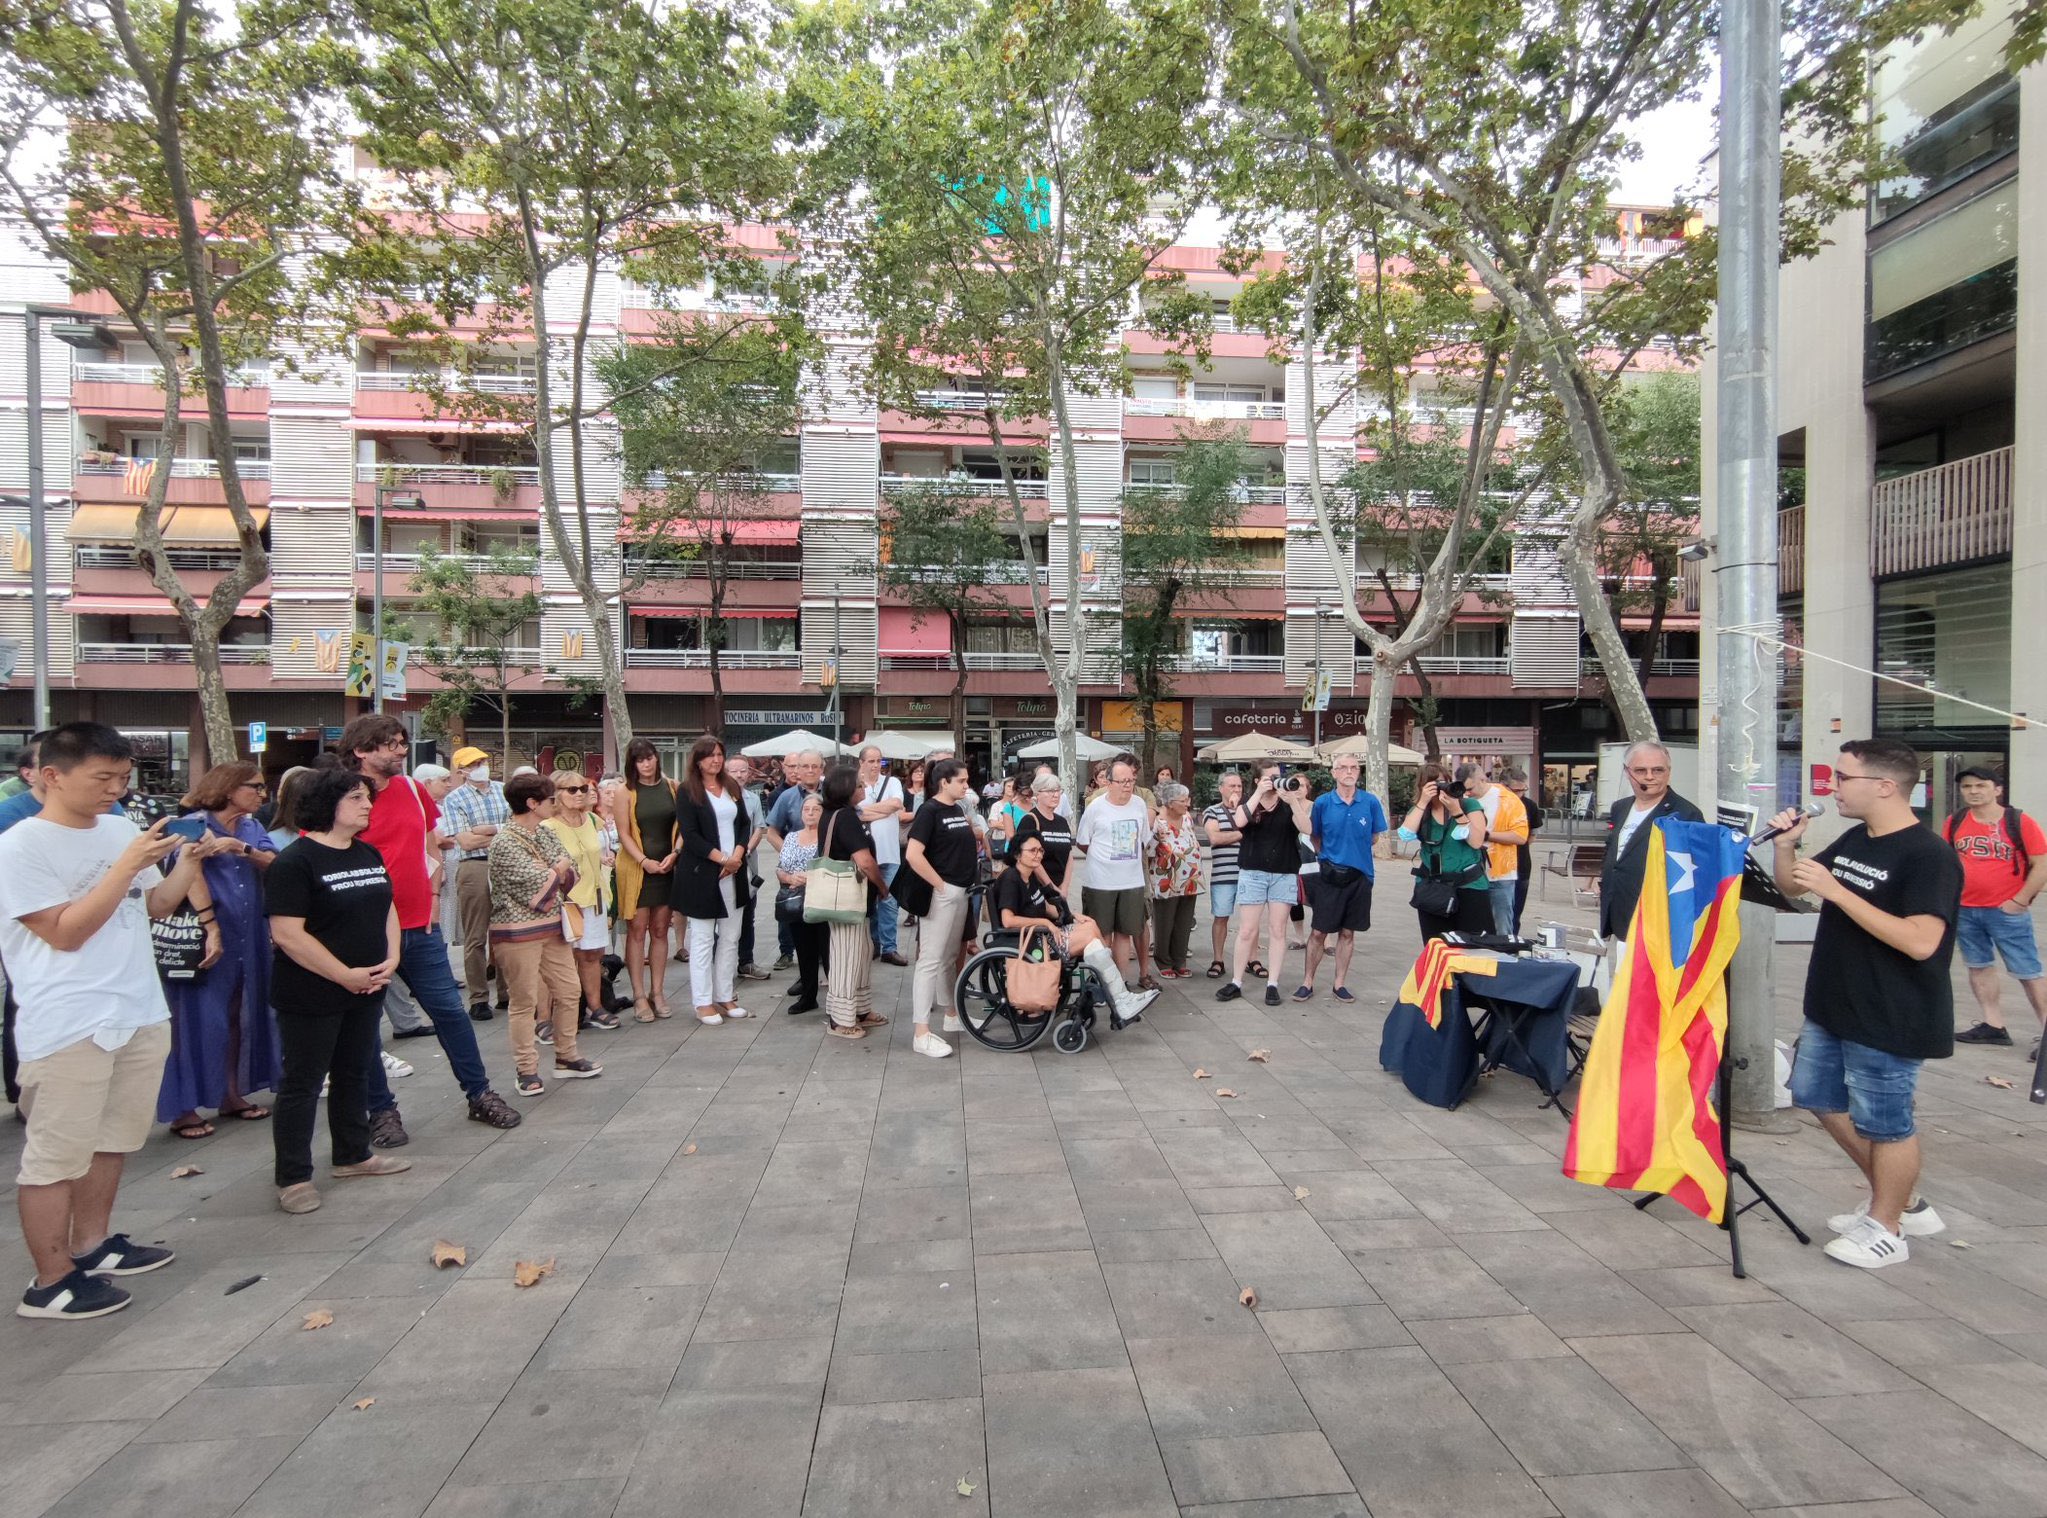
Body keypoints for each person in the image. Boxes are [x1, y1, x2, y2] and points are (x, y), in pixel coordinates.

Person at [0, 723, 217, 1319]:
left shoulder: (121, 829)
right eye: (102, 779)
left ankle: (93, 1245)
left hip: (138, 1009)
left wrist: (185, 861)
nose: (116, 792)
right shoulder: (22, 846)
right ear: (52, 776)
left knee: (114, 1139)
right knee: (55, 1154)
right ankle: (50, 1280)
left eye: (123, 779)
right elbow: (64, 933)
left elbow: (155, 906)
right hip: (70, 1020)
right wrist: (124, 865)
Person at [1769, 739, 1963, 1270]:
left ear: (1884, 786)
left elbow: (1922, 941)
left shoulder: (1928, 856)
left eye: (1843, 778)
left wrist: (1838, 891)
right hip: (1835, 1001)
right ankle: (1901, 1200)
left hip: (1891, 1010)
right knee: (1815, 1095)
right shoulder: (1859, 837)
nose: (1832, 788)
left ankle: (1887, 1226)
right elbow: (1795, 891)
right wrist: (1786, 849)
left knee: (1886, 1122)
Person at [339, 714, 521, 1144]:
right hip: (362, 930)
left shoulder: (410, 789)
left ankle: (479, 1094)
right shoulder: (340, 795)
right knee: (364, 1027)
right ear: (362, 751)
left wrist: (434, 898)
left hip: (419, 923)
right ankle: (381, 1111)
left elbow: (429, 840)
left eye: (402, 742)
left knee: (449, 1013)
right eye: (391, 744)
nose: (401, 750)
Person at [266, 767, 412, 1215]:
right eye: (356, 797)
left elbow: (386, 906)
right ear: (327, 804)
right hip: (312, 990)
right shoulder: (295, 862)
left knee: (354, 1072)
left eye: (367, 797)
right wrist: (342, 973)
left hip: (366, 985)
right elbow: (288, 934)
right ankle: (293, 1176)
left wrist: (392, 956)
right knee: (303, 1082)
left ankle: (353, 1154)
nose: (368, 805)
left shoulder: (366, 853)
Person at [157, 762, 283, 1139]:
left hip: (249, 934)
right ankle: (184, 1106)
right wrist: (210, 924)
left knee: (239, 1015)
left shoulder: (251, 827)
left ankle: (232, 1092)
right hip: (201, 936)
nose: (262, 795)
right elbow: (184, 873)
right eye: (255, 787)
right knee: (194, 1019)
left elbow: (277, 864)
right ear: (229, 788)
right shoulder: (191, 824)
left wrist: (239, 848)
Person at [488, 772, 602, 1096]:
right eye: (551, 798)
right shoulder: (505, 841)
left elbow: (569, 872)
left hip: (553, 927)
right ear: (532, 803)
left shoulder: (543, 832)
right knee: (524, 1001)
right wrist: (557, 869)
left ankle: (566, 1056)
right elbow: (538, 882)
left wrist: (557, 869)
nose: (555, 802)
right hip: (516, 932)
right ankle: (526, 1068)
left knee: (569, 991)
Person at [993, 834, 1161, 1028]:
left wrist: (1074, 916)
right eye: (1032, 850)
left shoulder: (1029, 877)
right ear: (1017, 854)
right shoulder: (1011, 879)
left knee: (1089, 925)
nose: (1038, 855)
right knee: (1091, 937)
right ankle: (1118, 996)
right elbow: (1008, 920)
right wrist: (1046, 923)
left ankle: (1114, 993)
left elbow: (1047, 908)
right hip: (1030, 942)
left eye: (1040, 850)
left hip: (1041, 935)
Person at [1944, 766, 2047, 1056]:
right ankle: (1993, 1025)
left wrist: (2020, 900)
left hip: (2006, 910)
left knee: (2028, 970)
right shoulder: (1956, 822)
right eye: (1967, 787)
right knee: (1978, 966)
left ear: (1997, 789)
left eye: (1981, 785)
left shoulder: (2018, 821)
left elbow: (2042, 864)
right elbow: (1948, 860)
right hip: (1965, 908)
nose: (1974, 791)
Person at [1217, 763, 1312, 1005]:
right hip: (1253, 871)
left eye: (1278, 777)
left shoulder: (1289, 802)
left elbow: (1307, 828)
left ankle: (1273, 983)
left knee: (1278, 930)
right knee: (1247, 930)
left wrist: (1292, 802)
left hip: (1284, 872)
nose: (1276, 781)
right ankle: (1236, 981)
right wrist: (1259, 793)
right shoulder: (1250, 801)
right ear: (1258, 780)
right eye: (1270, 778)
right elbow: (1239, 821)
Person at [675, 735, 753, 1027]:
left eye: (719, 754)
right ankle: (703, 1001)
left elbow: (744, 823)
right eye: (709, 755)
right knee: (703, 939)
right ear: (697, 760)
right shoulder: (687, 791)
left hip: (734, 871)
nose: (716, 760)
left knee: (731, 937)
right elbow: (690, 835)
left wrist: (738, 855)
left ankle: (725, 994)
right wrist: (722, 859)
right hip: (703, 874)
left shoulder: (730, 786)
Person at [904, 757, 979, 1058]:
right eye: (960, 780)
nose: (966, 785)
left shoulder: (957, 809)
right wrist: (941, 886)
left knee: (949, 958)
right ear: (943, 782)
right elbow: (913, 854)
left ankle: (952, 1015)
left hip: (960, 892)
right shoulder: (929, 810)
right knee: (930, 960)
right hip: (943, 894)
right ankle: (921, 1032)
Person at [1299, 754, 1389, 1002]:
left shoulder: (1370, 802)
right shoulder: (1323, 803)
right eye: (1343, 768)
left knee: (1348, 932)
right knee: (1318, 931)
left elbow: (1374, 836)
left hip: (1361, 876)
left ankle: (1339, 983)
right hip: (1330, 875)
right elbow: (1314, 836)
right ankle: (1307, 981)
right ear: (1334, 773)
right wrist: (1328, 857)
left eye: (1354, 767)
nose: (1349, 771)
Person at [1598, 740, 1704, 943]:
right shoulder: (1620, 807)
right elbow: (1613, 847)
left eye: (1657, 770)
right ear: (1627, 772)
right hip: (1621, 914)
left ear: (1668, 772)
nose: (1649, 777)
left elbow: (1696, 872)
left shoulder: (1685, 813)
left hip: (1658, 923)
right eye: (1640, 770)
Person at [817, 762, 891, 1041]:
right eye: (859, 784)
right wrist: (882, 887)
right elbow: (865, 861)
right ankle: (840, 1019)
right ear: (846, 789)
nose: (864, 787)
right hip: (847, 900)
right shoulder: (844, 816)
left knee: (861, 952)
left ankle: (860, 1009)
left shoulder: (841, 814)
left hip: (855, 901)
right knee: (847, 956)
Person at [545, 769, 622, 1034]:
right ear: (556, 794)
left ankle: (595, 1006)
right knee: (564, 958)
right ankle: (559, 1014)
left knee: (592, 954)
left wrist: (604, 859)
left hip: (596, 894)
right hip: (567, 901)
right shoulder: (548, 826)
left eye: (583, 788)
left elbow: (601, 850)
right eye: (572, 789)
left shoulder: (592, 819)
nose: (580, 793)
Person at [440, 746, 510, 1022]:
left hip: (504, 862)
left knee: (506, 932)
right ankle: (479, 997)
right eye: (473, 763)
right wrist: (500, 832)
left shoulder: (503, 790)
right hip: (474, 865)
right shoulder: (455, 798)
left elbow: (516, 828)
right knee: (476, 936)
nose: (480, 766)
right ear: (462, 771)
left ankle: (506, 993)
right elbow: (465, 841)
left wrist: (489, 830)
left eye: (482, 761)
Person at [1074, 757, 1153, 993]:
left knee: (1124, 933)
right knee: (1102, 934)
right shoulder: (1096, 807)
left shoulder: (1139, 804)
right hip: (1100, 881)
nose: (1127, 786)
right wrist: (1103, 858)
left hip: (1131, 881)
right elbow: (1082, 842)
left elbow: (1144, 840)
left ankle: (1120, 982)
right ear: (1108, 783)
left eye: (1131, 781)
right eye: (1122, 781)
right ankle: (1102, 981)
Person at [615, 738, 679, 1021]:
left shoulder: (673, 787)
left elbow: (683, 826)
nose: (646, 763)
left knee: (661, 929)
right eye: (640, 759)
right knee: (637, 930)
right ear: (633, 763)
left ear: (656, 758)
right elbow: (623, 833)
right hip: (637, 868)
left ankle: (658, 991)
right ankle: (639, 995)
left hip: (667, 867)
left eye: (650, 757)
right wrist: (643, 861)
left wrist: (675, 854)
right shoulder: (624, 791)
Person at [1399, 763, 1491, 941]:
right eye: (1435, 784)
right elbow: (1405, 834)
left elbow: (1476, 842)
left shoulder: (1469, 805)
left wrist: (1456, 811)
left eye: (1446, 782)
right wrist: (1423, 801)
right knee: (1437, 946)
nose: (1442, 788)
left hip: (1469, 885)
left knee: (1476, 945)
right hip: (1433, 886)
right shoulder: (1422, 810)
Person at [762, 748, 825, 970]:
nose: (810, 770)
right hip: (795, 874)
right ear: (797, 769)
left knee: (823, 928)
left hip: (823, 874)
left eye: (814, 766)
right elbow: (771, 832)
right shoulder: (786, 797)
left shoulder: (832, 794)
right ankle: (793, 960)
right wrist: (791, 856)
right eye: (805, 766)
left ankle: (825, 970)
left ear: (821, 768)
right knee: (792, 918)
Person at [777, 792, 830, 1014]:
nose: (810, 813)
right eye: (806, 810)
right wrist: (789, 877)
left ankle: (838, 999)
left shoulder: (828, 837)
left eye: (815, 809)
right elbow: (780, 867)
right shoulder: (791, 837)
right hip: (795, 900)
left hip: (821, 899)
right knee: (804, 950)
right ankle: (808, 996)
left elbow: (833, 865)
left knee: (827, 951)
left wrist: (811, 876)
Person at [856, 745, 909, 966]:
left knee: (888, 901)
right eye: (871, 761)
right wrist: (882, 810)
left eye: (879, 761)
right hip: (864, 854)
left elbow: (896, 804)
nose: (876, 765)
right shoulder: (855, 784)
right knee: (866, 902)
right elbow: (855, 814)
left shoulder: (893, 782)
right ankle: (873, 943)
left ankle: (889, 947)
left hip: (889, 852)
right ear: (861, 763)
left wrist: (868, 812)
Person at [1468, 761, 1530, 936]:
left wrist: (1486, 835)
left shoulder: (1508, 799)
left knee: (1502, 925)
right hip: (1469, 873)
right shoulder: (1462, 799)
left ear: (1481, 779)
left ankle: (1504, 957)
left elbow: (1522, 836)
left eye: (1523, 790)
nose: (1469, 793)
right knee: (1473, 926)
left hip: (1500, 873)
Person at [725, 755, 772, 984]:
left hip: (747, 867)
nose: (740, 775)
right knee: (721, 917)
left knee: (748, 915)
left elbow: (759, 828)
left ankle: (746, 961)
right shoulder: (720, 797)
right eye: (734, 771)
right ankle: (720, 964)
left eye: (743, 771)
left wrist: (743, 851)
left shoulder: (752, 799)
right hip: (723, 865)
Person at [1149, 784, 1202, 978]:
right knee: (1165, 921)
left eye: (1188, 799)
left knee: (1184, 921)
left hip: (1190, 878)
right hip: (1166, 880)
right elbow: (1148, 850)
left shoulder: (1187, 819)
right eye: (1183, 800)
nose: (1187, 804)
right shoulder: (1158, 822)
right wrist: (1156, 838)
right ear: (1170, 803)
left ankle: (1180, 960)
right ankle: (1164, 961)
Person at [1202, 772, 1245, 980]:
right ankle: (1218, 959)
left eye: (1239, 786)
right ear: (1221, 788)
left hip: (1248, 873)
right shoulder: (1213, 811)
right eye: (1231, 786)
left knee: (1250, 920)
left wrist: (1240, 813)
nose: (1236, 790)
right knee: (1221, 917)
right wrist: (1243, 833)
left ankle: (1251, 959)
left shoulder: (1249, 811)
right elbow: (1215, 837)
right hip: (1223, 873)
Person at [1010, 773, 1078, 898]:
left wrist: (1064, 887)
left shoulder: (1062, 822)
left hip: (1060, 889)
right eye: (1050, 791)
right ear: (1037, 794)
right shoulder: (1030, 820)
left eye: (1058, 790)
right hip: (1036, 890)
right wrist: (1052, 887)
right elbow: (1030, 858)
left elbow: (1069, 855)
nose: (1056, 795)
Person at [1503, 768, 1542, 936]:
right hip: (1498, 866)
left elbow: (1533, 834)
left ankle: (1513, 941)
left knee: (1516, 911)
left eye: (1523, 789)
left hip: (1521, 864)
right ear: (1504, 786)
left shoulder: (1529, 805)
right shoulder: (1497, 803)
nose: (1520, 794)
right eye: (1516, 790)